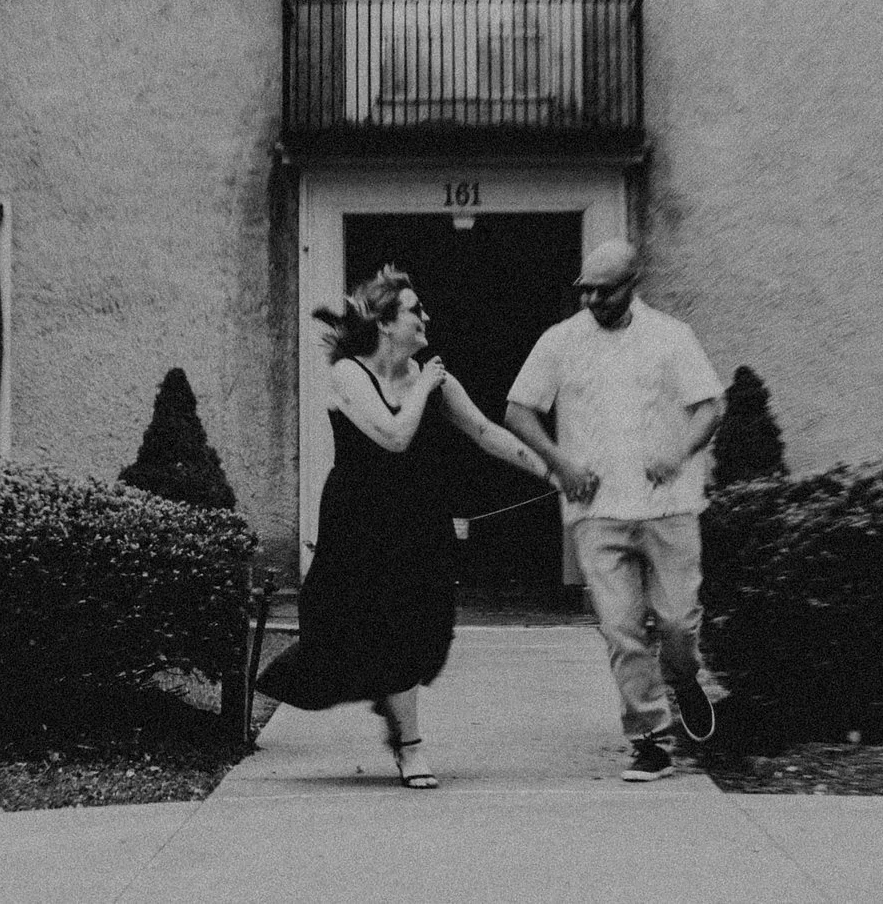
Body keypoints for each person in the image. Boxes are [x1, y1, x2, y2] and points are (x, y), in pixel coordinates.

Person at [255, 263, 553, 788]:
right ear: (386, 324)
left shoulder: (433, 378)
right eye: (416, 311)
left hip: (418, 518)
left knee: (421, 627)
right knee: (356, 629)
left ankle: (397, 714)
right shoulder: (349, 374)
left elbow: (485, 431)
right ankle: (410, 745)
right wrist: (424, 386)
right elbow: (393, 437)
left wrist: (551, 471)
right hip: (359, 522)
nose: (426, 318)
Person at [505, 238, 724, 782]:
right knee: (621, 629)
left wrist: (678, 452)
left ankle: (683, 676)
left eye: (604, 291)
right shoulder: (560, 341)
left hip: (669, 507)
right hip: (597, 510)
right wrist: (561, 464)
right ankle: (650, 738)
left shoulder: (672, 337)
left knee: (677, 624)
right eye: (585, 290)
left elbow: (710, 406)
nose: (592, 301)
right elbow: (518, 411)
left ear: (632, 285)